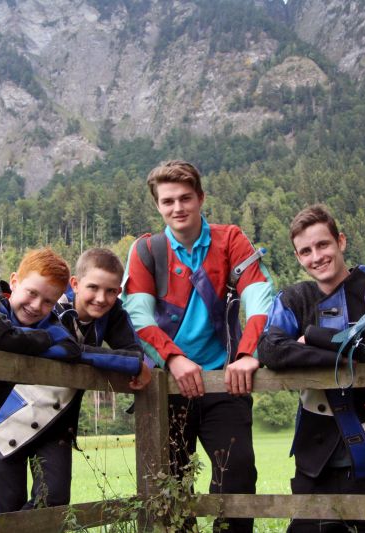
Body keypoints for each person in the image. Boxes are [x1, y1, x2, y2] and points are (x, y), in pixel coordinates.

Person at [122, 160, 274, 533]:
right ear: (157, 205)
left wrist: (247, 355)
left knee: (237, 474)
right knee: (170, 482)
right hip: (168, 386)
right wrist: (173, 358)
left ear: (201, 198)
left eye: (185, 198)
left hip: (225, 379)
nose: (178, 208)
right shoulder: (146, 251)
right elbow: (137, 318)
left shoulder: (230, 240)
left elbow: (260, 298)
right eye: (168, 200)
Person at [257, 204, 365, 533]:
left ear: (340, 241)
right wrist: (357, 362)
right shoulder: (293, 298)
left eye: (323, 245)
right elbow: (271, 350)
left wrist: (312, 336)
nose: (316, 256)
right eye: (305, 251)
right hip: (316, 453)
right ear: (297, 256)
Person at [0, 247, 151, 513]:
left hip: (58, 421)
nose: (101, 298)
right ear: (75, 284)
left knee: (54, 503)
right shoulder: (48, 306)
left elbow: (133, 351)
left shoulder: (113, 313)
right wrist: (126, 363)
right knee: (7, 510)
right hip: (9, 415)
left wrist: (136, 363)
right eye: (93, 288)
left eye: (111, 291)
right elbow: (73, 351)